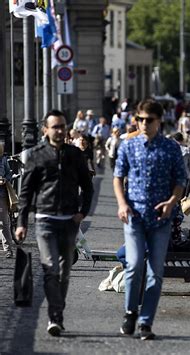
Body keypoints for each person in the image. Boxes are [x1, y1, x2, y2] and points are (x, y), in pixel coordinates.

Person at [113, 99, 187, 340]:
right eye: (140, 119)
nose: (144, 124)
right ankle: (130, 312)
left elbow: (180, 181)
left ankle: (146, 321)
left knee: (156, 272)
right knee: (134, 265)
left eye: (149, 120)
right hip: (134, 216)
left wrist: (171, 202)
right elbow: (117, 177)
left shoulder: (171, 148)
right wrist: (122, 203)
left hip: (161, 218)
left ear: (159, 121)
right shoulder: (128, 145)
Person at [15, 110, 94, 336]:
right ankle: (55, 317)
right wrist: (22, 223)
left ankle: (57, 312)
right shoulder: (37, 155)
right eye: (55, 127)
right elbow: (26, 193)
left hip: (69, 220)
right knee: (51, 270)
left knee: (64, 273)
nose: (59, 130)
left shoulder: (75, 155)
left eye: (62, 126)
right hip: (45, 220)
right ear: (45, 130)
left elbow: (88, 187)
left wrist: (82, 213)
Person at [0, 144, 14, 258]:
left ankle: (8, 249)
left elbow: (9, 174)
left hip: (2, 195)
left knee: (4, 223)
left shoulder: (3, 159)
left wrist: (5, 179)